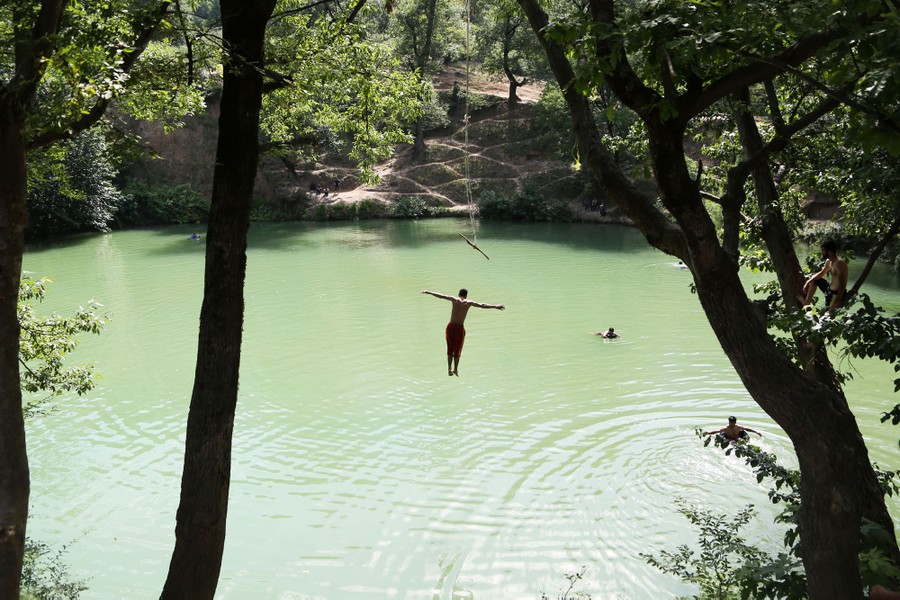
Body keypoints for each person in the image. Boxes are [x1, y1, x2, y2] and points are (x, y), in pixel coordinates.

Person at [421, 288, 505, 376]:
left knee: (450, 348)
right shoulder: (469, 303)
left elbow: (441, 296)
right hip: (459, 328)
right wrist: (495, 306)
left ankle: (449, 368)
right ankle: (455, 369)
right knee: (457, 349)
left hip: (451, 327)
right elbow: (482, 305)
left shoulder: (454, 299)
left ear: (459, 294)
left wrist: (429, 292)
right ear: (466, 295)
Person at [797, 240, 848, 311]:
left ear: (829, 251)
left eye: (823, 250)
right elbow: (821, 273)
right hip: (829, 289)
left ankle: (809, 309)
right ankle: (806, 303)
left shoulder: (839, 264)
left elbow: (843, 283)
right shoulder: (829, 261)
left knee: (826, 317)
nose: (822, 252)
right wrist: (808, 282)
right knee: (815, 280)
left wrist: (838, 300)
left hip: (835, 294)